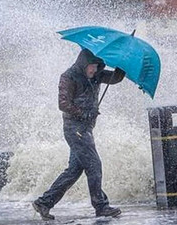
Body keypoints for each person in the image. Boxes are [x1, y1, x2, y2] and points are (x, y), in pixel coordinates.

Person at [32, 49, 125, 220]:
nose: (94, 70)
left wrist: (122, 65)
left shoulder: (96, 75)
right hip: (74, 129)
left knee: (74, 170)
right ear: (84, 64)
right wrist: (83, 114)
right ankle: (101, 206)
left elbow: (115, 78)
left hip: (86, 129)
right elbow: (63, 104)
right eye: (92, 66)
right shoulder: (69, 77)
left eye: (97, 66)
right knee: (94, 165)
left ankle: (44, 203)